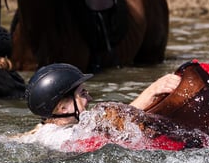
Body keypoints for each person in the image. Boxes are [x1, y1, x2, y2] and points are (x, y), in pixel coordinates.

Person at [17, 63, 189, 151]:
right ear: (62, 108)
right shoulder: (58, 138)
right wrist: (152, 91)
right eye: (83, 94)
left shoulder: (40, 132)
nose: (89, 97)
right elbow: (113, 126)